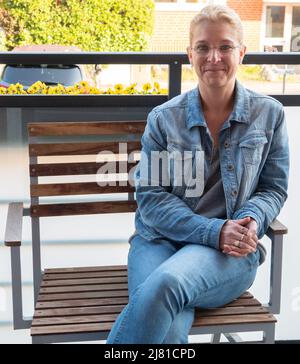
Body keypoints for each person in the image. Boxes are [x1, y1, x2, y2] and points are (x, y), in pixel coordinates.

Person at [106, 4, 289, 344]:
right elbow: (151, 199)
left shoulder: (270, 115)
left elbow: (273, 189)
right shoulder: (164, 119)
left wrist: (251, 217)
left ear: (242, 52)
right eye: (203, 47)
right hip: (159, 241)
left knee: (163, 286)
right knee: (170, 324)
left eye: (225, 46)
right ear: (190, 54)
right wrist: (211, 229)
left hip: (229, 252)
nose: (214, 57)